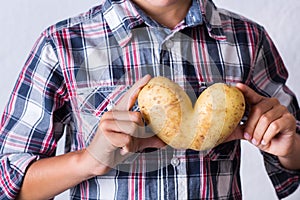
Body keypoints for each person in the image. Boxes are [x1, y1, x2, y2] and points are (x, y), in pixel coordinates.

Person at [0, 0, 299, 199]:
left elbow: (293, 160)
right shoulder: (63, 44)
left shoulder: (247, 38)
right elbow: (8, 180)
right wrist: (89, 161)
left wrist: (290, 148)